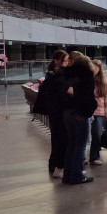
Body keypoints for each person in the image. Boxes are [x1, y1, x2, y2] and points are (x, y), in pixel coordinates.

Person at [61, 51, 97, 185]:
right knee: (81, 146)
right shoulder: (86, 77)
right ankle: (77, 175)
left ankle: (67, 175)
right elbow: (87, 97)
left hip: (67, 113)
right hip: (80, 114)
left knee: (71, 145)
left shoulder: (66, 75)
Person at [36, 49, 70, 177]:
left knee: (56, 138)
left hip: (54, 111)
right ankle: (58, 165)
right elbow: (59, 94)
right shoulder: (56, 76)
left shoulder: (51, 75)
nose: (67, 63)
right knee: (60, 139)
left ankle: (54, 164)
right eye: (64, 60)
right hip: (58, 111)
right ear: (57, 61)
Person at [87, 59, 107, 166]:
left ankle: (94, 157)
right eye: (92, 68)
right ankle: (82, 157)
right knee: (84, 136)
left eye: (96, 68)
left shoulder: (104, 82)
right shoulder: (85, 80)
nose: (94, 70)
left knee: (96, 134)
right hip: (86, 110)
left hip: (99, 111)